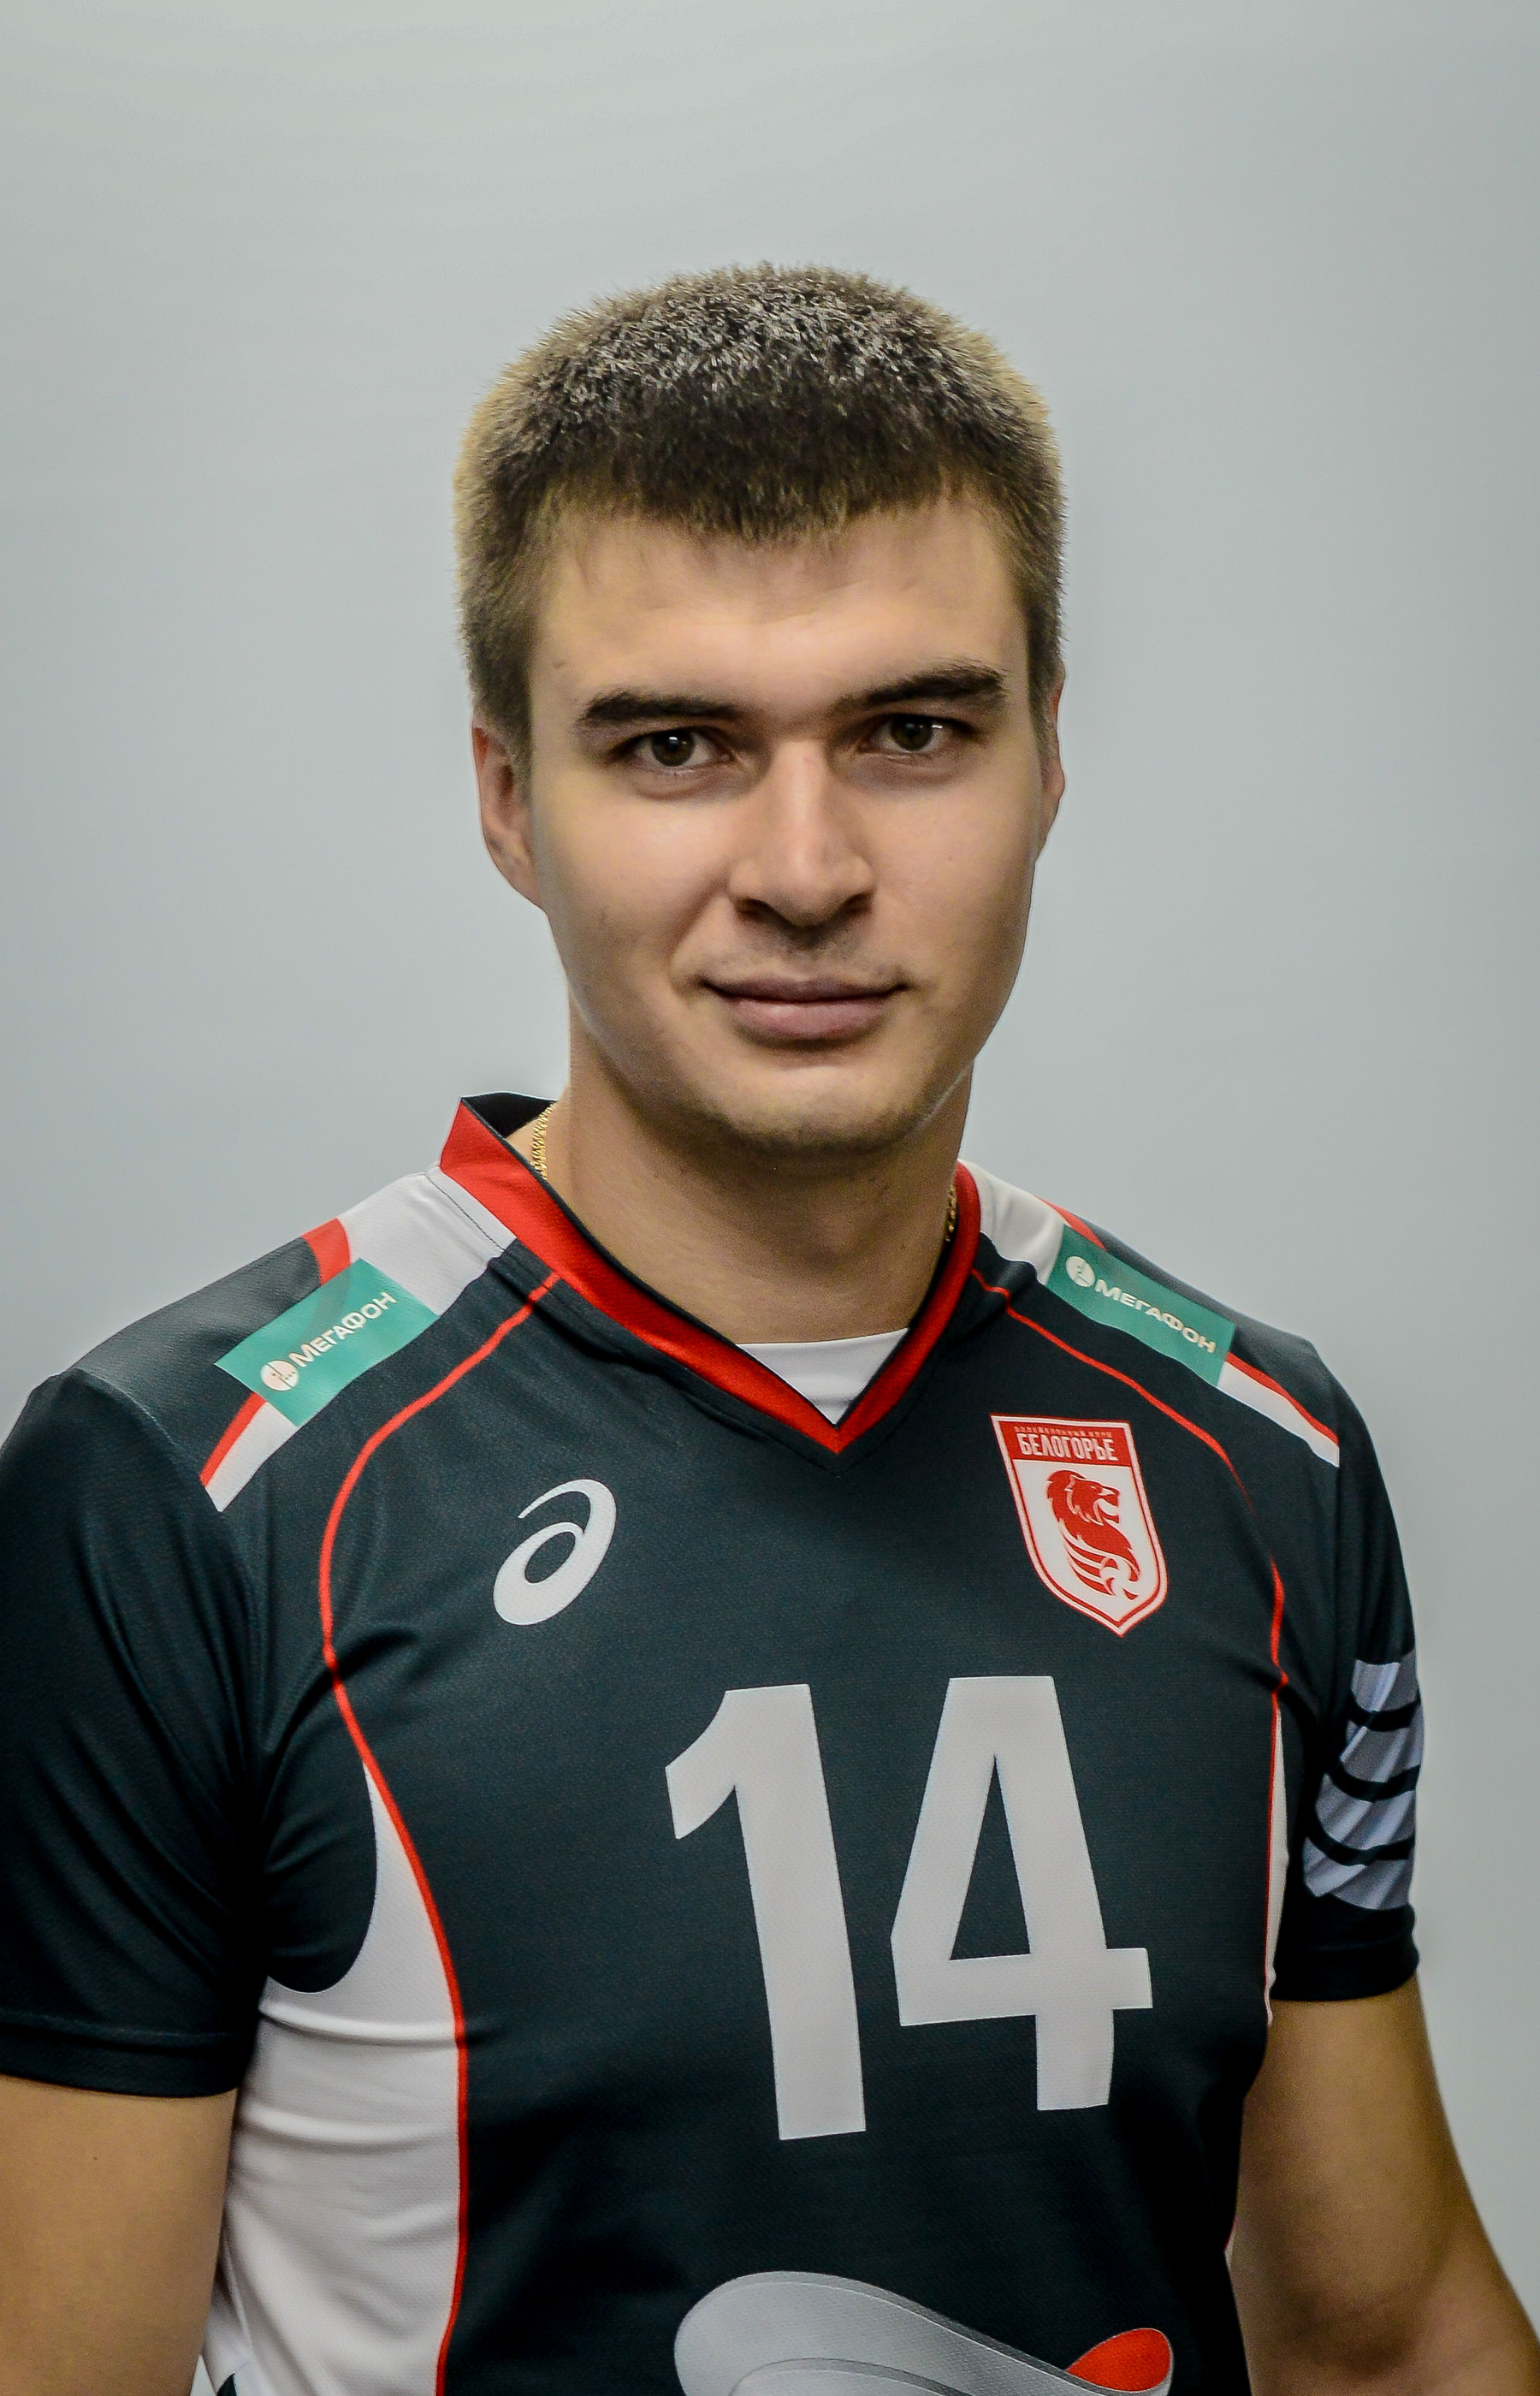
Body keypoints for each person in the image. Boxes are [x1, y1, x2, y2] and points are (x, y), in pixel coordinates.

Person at [0, 265, 1532, 2396]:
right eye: (675, 746)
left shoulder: (1260, 1453)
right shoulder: (189, 1493)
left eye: (912, 733)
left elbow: (1379, 2339)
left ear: (1051, 755)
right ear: (508, 795)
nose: (805, 868)